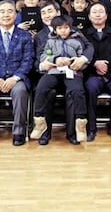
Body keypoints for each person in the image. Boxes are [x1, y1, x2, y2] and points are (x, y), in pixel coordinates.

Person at [0, 0, 34, 146]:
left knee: (20, 91)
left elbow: (28, 60)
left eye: (10, 11)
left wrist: (15, 78)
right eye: (2, 12)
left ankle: (19, 131)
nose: (6, 15)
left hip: (17, 78)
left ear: (16, 15)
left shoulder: (25, 35)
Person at [30, 15, 91, 145]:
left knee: (77, 91)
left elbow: (82, 58)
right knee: (41, 88)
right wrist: (54, 59)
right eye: (60, 28)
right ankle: (39, 121)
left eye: (66, 27)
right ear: (55, 29)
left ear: (70, 28)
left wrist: (74, 62)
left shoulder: (77, 40)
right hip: (54, 71)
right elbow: (45, 55)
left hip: (71, 71)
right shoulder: (50, 41)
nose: (63, 30)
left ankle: (80, 123)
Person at [83, 2, 111, 142]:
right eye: (94, 12)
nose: (98, 14)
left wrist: (106, 64)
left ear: (106, 15)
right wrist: (95, 63)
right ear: (89, 16)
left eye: (101, 11)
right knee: (90, 88)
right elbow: (81, 54)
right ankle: (90, 128)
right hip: (92, 73)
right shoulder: (83, 34)